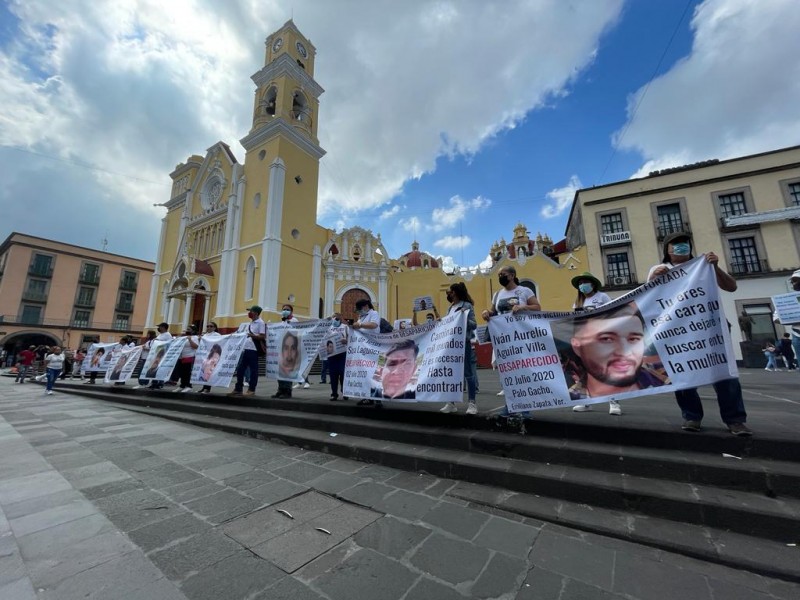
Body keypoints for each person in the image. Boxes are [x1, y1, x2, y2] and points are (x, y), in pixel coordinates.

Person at [647, 232, 751, 436]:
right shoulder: (660, 269)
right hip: (677, 331)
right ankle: (691, 416)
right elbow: (649, 298)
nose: (681, 246)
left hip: (710, 327)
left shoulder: (703, 265)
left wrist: (715, 266)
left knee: (725, 373)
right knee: (683, 374)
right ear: (667, 250)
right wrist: (653, 279)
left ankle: (735, 420)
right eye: (676, 244)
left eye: (685, 243)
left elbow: (731, 287)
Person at [568, 304, 667, 401]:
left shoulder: (667, 376)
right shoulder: (570, 397)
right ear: (577, 347)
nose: (624, 352)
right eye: (606, 339)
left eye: (633, 339)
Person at [569, 272, 620, 414]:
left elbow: (612, 312)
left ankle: (614, 402)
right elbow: (576, 320)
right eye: (580, 283)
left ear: (592, 284)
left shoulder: (602, 297)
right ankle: (587, 402)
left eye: (585, 282)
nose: (582, 285)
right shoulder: (578, 302)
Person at [440, 282, 479, 415]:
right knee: (452, 374)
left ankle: (472, 403)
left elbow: (474, 325)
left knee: (468, 373)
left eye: (449, 292)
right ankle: (451, 403)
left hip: (464, 343)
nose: (448, 294)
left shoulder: (467, 306)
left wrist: (464, 317)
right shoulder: (450, 308)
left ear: (455, 292)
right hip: (451, 345)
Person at [231, 305, 266, 397]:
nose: (249, 313)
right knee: (240, 369)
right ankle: (238, 388)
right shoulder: (251, 323)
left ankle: (251, 389)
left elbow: (262, 336)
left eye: (251, 311)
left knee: (254, 370)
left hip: (254, 350)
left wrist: (252, 336)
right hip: (246, 349)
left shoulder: (260, 323)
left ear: (256, 313)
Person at [773, 269, 800, 372]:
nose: (793, 283)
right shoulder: (788, 299)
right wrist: (791, 317)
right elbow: (776, 318)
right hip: (797, 334)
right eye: (792, 281)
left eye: (796, 280)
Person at [271, 304, 298, 399]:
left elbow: (294, 334)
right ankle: (280, 390)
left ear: (291, 311)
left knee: (287, 371)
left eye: (287, 309)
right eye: (283, 309)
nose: (285, 311)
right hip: (281, 349)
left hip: (289, 350)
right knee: (280, 371)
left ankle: (287, 391)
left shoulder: (294, 321)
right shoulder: (282, 322)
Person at [326, 313, 349, 401]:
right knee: (333, 374)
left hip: (343, 353)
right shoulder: (328, 327)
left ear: (340, 319)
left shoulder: (345, 327)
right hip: (332, 354)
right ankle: (334, 394)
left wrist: (346, 340)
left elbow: (351, 338)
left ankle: (345, 392)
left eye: (337, 318)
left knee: (343, 373)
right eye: (333, 318)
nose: (335, 320)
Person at [146, 323, 173, 389]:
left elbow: (167, 343)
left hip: (162, 355)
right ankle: (154, 383)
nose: (159, 328)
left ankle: (159, 383)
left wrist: (157, 341)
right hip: (157, 354)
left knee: (159, 369)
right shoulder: (161, 335)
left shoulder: (167, 335)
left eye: (160, 327)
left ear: (163, 327)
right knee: (155, 369)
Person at [198, 322, 223, 393]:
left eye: (211, 326)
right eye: (207, 326)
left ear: (214, 328)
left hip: (213, 355)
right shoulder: (205, 335)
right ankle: (204, 387)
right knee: (205, 371)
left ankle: (207, 388)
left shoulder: (217, 335)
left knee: (209, 372)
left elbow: (220, 343)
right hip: (205, 355)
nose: (209, 327)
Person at [174, 326, 199, 392]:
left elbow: (196, 346)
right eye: (186, 329)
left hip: (190, 356)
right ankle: (182, 385)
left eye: (189, 329)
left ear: (193, 331)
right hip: (182, 357)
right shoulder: (183, 337)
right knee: (182, 372)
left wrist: (190, 340)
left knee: (187, 372)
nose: (186, 330)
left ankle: (189, 386)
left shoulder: (195, 337)